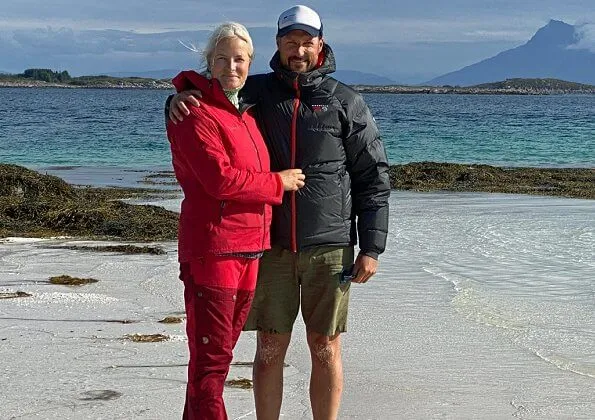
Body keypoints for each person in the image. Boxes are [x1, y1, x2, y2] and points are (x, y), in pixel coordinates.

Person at [168, 6, 390, 419]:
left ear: (320, 45)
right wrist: (177, 97)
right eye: (291, 43)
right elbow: (216, 92)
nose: (298, 51)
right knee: (269, 348)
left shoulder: (346, 101)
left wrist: (372, 246)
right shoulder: (258, 93)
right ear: (278, 45)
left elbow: (372, 177)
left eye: (307, 43)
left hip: (330, 245)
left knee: (325, 348)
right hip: (269, 246)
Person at [166, 22, 306, 420]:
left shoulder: (245, 113)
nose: (231, 66)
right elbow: (219, 180)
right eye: (222, 58)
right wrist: (277, 183)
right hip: (214, 249)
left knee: (220, 357)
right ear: (209, 62)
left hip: (251, 249)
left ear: (250, 64)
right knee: (211, 364)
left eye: (239, 59)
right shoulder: (195, 112)